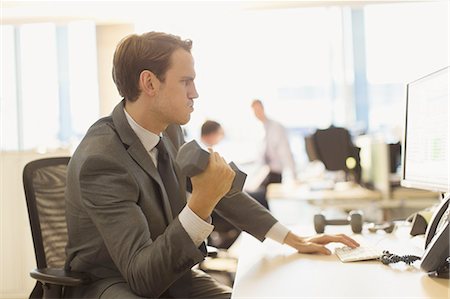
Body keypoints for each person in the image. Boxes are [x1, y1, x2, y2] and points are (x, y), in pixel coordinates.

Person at [64, 31, 359, 299]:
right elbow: (142, 277)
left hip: (168, 274)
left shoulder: (170, 130)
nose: (195, 93)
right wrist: (200, 204)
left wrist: (292, 238)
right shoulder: (101, 159)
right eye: (185, 82)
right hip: (114, 285)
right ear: (150, 83)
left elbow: (221, 189)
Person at [251, 99, 297, 187]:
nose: (256, 113)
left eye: (258, 110)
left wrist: (293, 175)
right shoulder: (260, 128)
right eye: (254, 111)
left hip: (275, 172)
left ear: (262, 108)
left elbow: (285, 152)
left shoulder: (276, 127)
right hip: (264, 172)